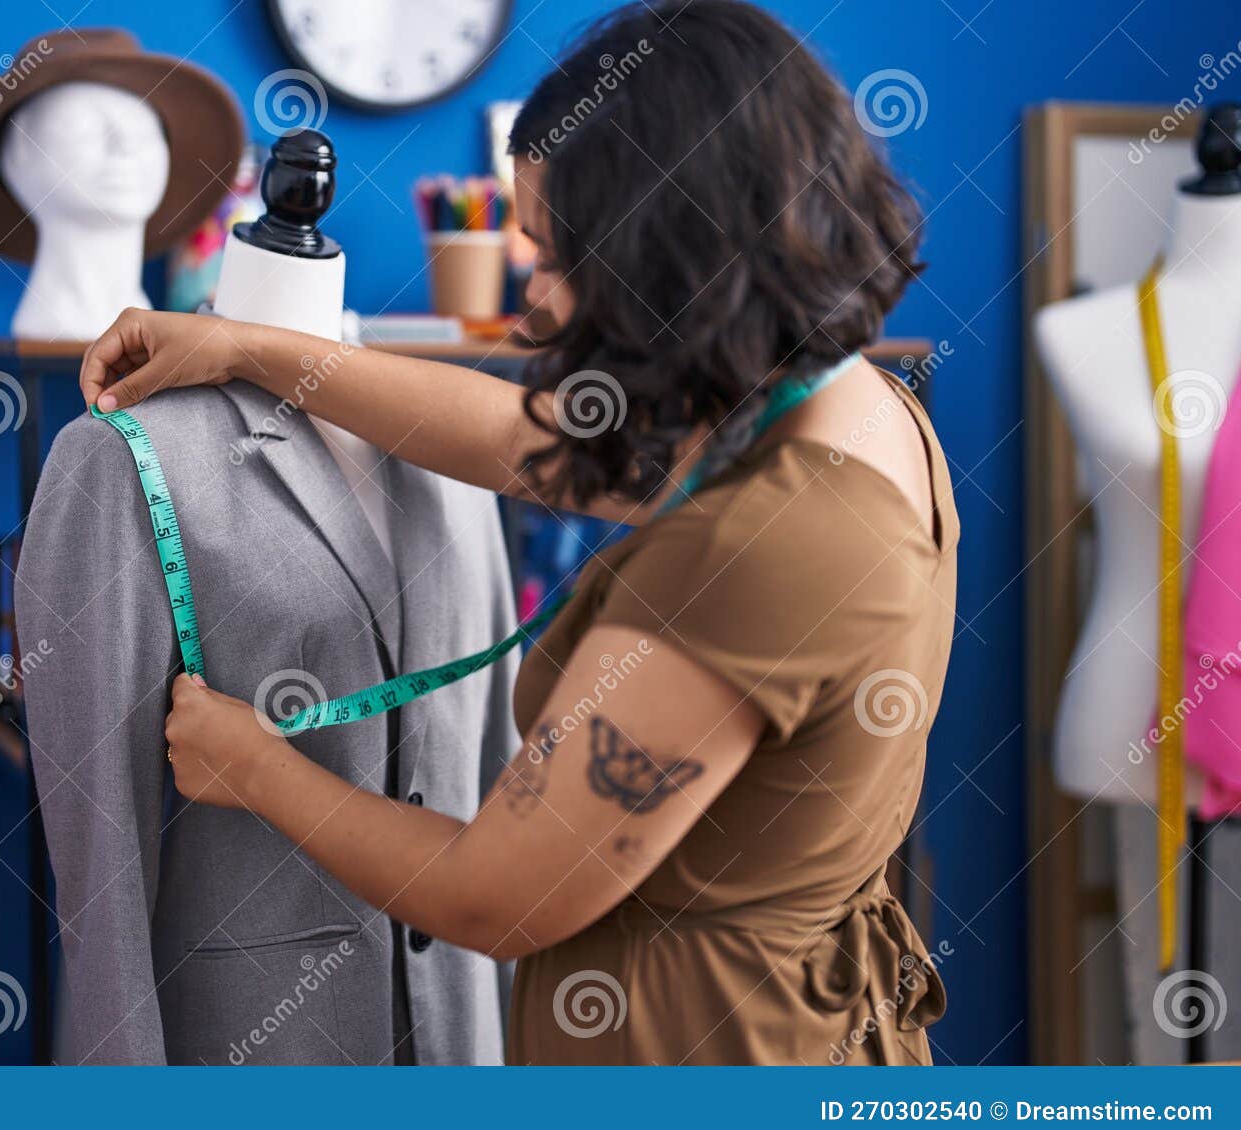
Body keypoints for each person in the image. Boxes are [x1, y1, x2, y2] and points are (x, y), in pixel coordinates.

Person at [78, 0, 954, 1065]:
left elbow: (492, 895)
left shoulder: (760, 544)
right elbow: (525, 435)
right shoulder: (850, 409)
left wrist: (252, 764)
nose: (532, 302)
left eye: (550, 254)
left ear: (665, 254)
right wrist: (253, 348)